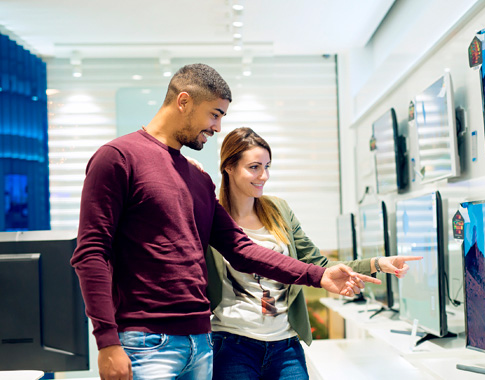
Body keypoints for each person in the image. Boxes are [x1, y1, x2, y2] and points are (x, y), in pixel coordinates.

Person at [70, 64, 379, 380]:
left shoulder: (198, 179)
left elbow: (242, 249)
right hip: (146, 343)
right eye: (214, 114)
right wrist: (106, 340)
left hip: (202, 343)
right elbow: (91, 253)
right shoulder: (118, 157)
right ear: (184, 102)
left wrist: (319, 275)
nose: (217, 127)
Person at [206, 127, 423, 380]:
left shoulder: (278, 210)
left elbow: (318, 264)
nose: (263, 176)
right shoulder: (213, 217)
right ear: (228, 167)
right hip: (233, 344)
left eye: (267, 166)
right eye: (254, 167)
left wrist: (377, 263)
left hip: (285, 344)